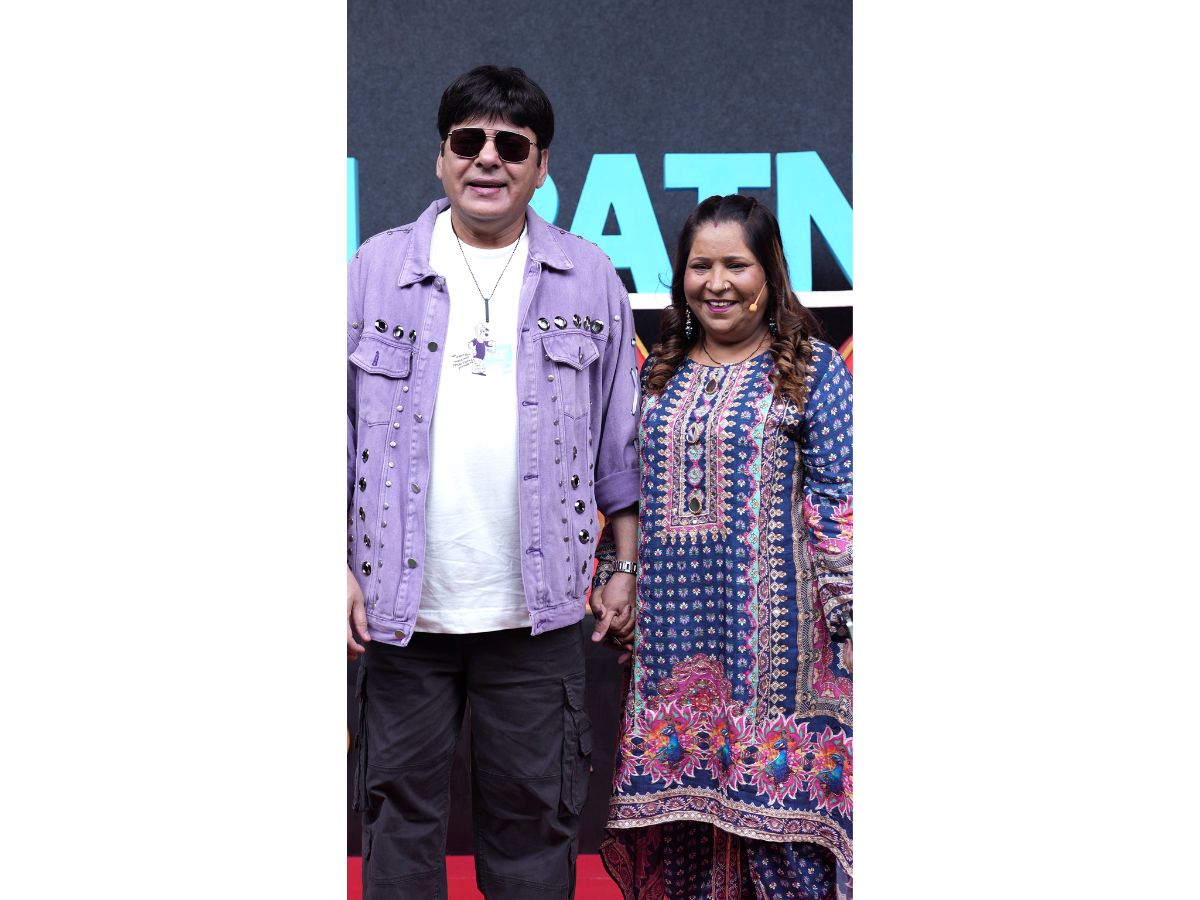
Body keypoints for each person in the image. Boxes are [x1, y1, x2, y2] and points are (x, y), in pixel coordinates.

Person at [346, 65, 641, 900]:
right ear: (440, 157)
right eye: (467, 140)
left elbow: (618, 444)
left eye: (512, 145)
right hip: (402, 613)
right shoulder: (373, 270)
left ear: (542, 167)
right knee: (398, 833)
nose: (487, 159)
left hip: (537, 614)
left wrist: (622, 568)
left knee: (535, 833)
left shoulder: (589, 275)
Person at [593, 195, 853, 899]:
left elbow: (840, 499)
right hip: (673, 652)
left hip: (782, 653)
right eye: (699, 267)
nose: (717, 284)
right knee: (687, 837)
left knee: (783, 834)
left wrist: (851, 615)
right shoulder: (657, 374)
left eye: (736, 265)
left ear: (769, 271)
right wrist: (619, 576)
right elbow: (630, 490)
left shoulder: (811, 370)